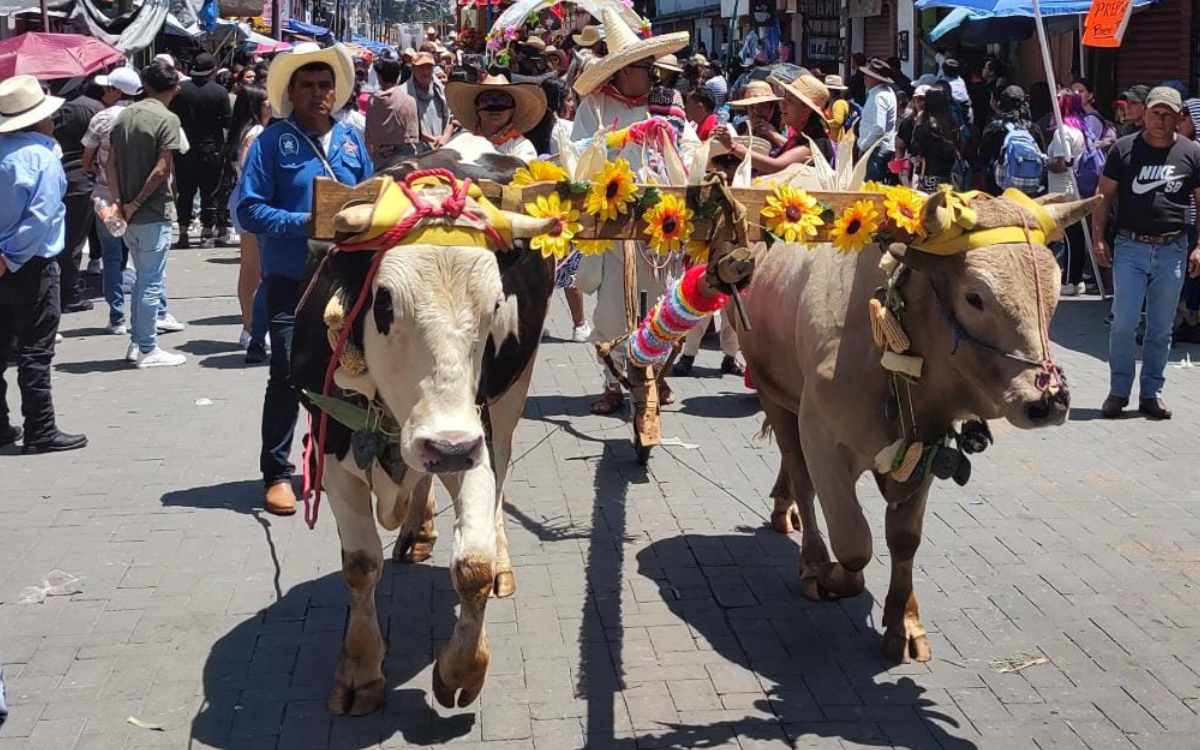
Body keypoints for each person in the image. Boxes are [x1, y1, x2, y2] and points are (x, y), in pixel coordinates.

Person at [237, 43, 373, 516]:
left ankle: (338, 461)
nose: (318, 94)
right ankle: (276, 473)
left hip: (346, 278)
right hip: (291, 280)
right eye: (308, 86)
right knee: (287, 375)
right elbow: (247, 209)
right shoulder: (271, 143)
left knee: (350, 371)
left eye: (325, 85)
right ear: (290, 92)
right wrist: (307, 220)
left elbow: (371, 195)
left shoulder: (353, 140)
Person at [572, 8, 693, 415]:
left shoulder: (668, 101)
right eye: (644, 66)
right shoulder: (596, 104)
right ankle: (612, 382)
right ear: (624, 70)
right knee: (612, 305)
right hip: (612, 220)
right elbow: (577, 153)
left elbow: (690, 149)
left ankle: (658, 376)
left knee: (663, 298)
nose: (652, 74)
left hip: (662, 224)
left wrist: (696, 147)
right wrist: (625, 136)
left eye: (650, 66)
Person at [1091, 86, 1200, 421]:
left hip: (1173, 248)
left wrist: (1199, 246)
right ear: (1145, 113)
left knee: (1160, 327)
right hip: (1130, 247)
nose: (1161, 119)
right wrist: (1098, 239)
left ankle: (1151, 393)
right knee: (1123, 322)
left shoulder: (1191, 153)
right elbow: (1103, 195)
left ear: (1179, 117)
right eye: (1155, 112)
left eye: (1168, 113)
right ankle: (1119, 391)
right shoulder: (1124, 149)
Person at [0, 75, 88, 454]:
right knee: (36, 350)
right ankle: (40, 428)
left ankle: (2, 425)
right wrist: (11, 255)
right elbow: (40, 216)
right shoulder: (43, 154)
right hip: (31, 263)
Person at [108, 61, 190, 369]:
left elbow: (110, 163)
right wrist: (135, 203)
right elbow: (161, 169)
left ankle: (138, 340)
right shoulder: (167, 118)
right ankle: (146, 346)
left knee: (141, 278)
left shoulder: (124, 115)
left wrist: (119, 202)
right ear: (174, 88)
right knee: (150, 281)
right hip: (151, 211)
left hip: (127, 211)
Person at [81, 67, 158, 337]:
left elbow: (86, 160)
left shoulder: (102, 118)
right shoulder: (147, 117)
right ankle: (154, 313)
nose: (104, 93)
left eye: (107, 88)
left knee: (112, 258)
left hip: (107, 199)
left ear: (115, 91)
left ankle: (117, 317)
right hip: (141, 198)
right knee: (145, 258)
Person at [224, 85, 272, 363]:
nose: (271, 105)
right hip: (251, 201)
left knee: (252, 266)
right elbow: (252, 169)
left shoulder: (250, 132)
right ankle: (250, 326)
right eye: (265, 101)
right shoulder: (256, 134)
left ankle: (250, 325)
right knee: (253, 268)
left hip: (244, 199)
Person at [170, 53, 232, 249]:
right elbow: (226, 121)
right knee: (209, 192)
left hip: (184, 148)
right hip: (211, 149)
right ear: (212, 70)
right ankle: (206, 232)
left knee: (185, 192)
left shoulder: (180, 90)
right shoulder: (220, 92)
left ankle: (183, 232)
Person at [52, 78, 104, 313]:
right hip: (81, 178)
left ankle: (60, 289)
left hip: (53, 178)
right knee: (73, 240)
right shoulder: (92, 107)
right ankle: (69, 292)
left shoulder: (48, 108)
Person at [714, 73, 831, 175]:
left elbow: (775, 166)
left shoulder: (814, 143)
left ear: (806, 110)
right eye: (784, 99)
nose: (782, 105)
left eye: (790, 101)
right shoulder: (799, 137)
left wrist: (733, 146)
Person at [445, 74, 543, 162]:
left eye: (503, 100)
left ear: (512, 110)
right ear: (477, 108)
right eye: (487, 100)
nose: (495, 107)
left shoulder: (522, 147)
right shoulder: (460, 141)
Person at [1047, 91, 1088, 296]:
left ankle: (1069, 280)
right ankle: (1077, 279)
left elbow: (1062, 163)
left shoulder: (1061, 132)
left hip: (1063, 191)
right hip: (1076, 188)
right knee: (1077, 236)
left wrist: (1045, 162)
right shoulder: (1080, 130)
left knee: (1070, 238)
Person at [978, 84, 1045, 196]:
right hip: (1029, 187)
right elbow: (1042, 154)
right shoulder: (1033, 128)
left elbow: (983, 157)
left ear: (1001, 103)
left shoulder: (995, 128)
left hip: (1000, 188)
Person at [364, 58, 421, 161]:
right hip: (405, 159)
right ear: (399, 76)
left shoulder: (372, 102)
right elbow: (414, 136)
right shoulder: (409, 101)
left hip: (380, 159)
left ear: (379, 78)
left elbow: (368, 137)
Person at [909, 87, 960, 193]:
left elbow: (915, 147)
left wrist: (918, 123)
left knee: (930, 206)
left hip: (930, 174)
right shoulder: (952, 121)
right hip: (950, 174)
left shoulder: (926, 123)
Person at [859, 58, 898, 182]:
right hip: (880, 148)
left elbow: (879, 128)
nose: (865, 78)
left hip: (875, 149)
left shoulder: (879, 96)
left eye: (868, 75)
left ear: (875, 78)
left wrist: (863, 146)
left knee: (871, 188)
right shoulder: (887, 93)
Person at [407, 52, 454, 149]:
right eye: (421, 67)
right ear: (413, 69)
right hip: (415, 153)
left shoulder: (441, 91)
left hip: (441, 149)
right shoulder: (404, 94)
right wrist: (428, 139)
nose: (425, 72)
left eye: (429, 67)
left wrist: (445, 136)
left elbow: (452, 119)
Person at [823, 74, 856, 143]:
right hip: (832, 136)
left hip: (836, 138)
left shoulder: (839, 103)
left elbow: (838, 121)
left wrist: (824, 123)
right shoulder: (833, 101)